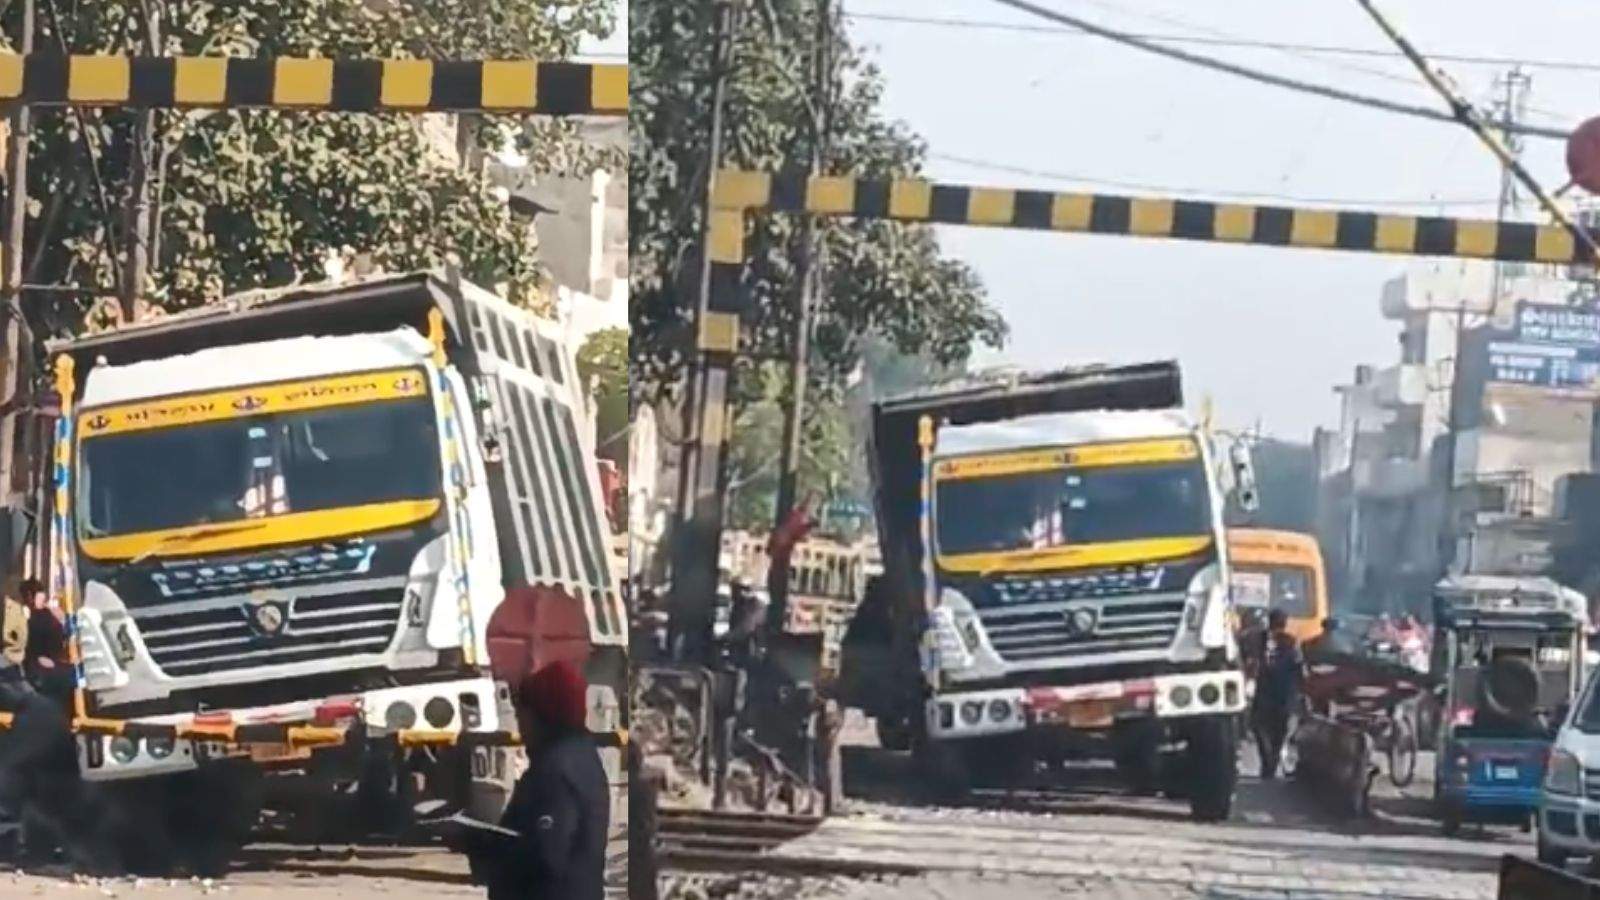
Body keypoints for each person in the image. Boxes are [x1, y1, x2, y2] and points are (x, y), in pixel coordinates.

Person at [466, 659, 609, 900]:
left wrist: (482, 847)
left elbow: (544, 855)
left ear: (543, 716)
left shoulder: (556, 772)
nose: (520, 728)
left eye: (522, 716)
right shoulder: (581, 757)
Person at [1250, 609, 1303, 780]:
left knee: (1262, 727)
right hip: (1283, 693)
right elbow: (1299, 668)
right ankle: (1270, 762)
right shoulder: (1291, 642)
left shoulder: (1257, 639)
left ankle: (1268, 762)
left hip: (1266, 691)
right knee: (1277, 731)